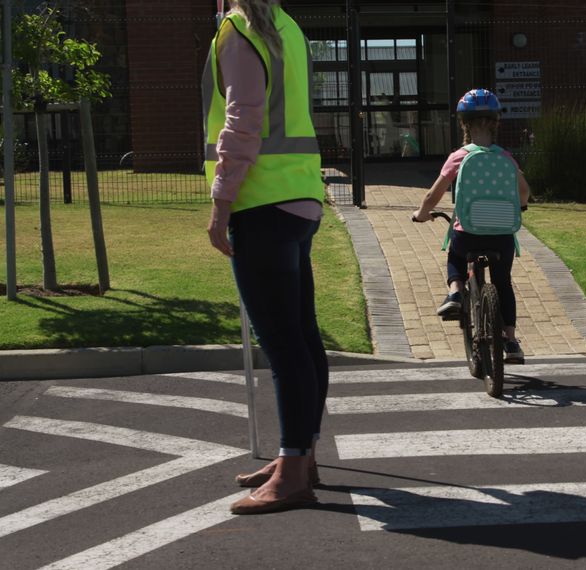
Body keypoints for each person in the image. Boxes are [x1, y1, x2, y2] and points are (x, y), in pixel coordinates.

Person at [203, 0, 327, 515]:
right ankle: (299, 458)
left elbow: (243, 118)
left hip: (261, 204)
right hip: (300, 198)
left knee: (283, 346)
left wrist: (220, 203)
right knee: (302, 337)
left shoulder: (239, 29)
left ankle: (292, 473)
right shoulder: (286, 24)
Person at [411, 88, 532, 364]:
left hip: (468, 234)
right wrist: (521, 205)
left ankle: (455, 292)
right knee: (503, 284)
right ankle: (511, 341)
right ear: (496, 123)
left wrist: (421, 213)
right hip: (501, 234)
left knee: (455, 254)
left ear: (464, 123)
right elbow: (524, 191)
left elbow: (433, 195)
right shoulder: (505, 157)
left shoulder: (459, 156)